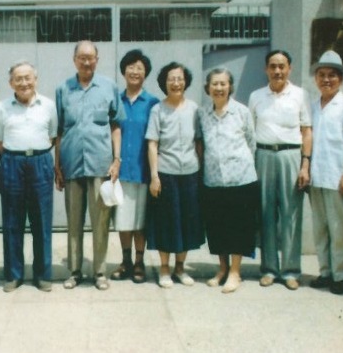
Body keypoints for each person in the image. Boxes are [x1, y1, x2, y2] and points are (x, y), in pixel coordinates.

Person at [55, 40, 126, 291]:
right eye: (82, 57)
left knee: (100, 222)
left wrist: (117, 160)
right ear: (74, 59)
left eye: (90, 57)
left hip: (100, 164)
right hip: (72, 164)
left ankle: (99, 272)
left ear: (97, 59)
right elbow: (59, 131)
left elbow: (116, 125)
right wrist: (57, 165)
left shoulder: (108, 87)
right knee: (73, 222)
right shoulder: (63, 89)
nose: (86, 62)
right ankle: (74, 271)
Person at [248, 49, 312, 290]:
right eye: (273, 66)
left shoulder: (300, 95)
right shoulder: (256, 96)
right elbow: (250, 131)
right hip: (263, 155)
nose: (277, 71)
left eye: (282, 66)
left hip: (291, 155)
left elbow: (306, 131)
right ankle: (269, 269)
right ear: (266, 69)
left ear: (289, 69)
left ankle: (290, 270)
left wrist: (305, 164)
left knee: (290, 214)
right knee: (265, 213)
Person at [0, 61, 58, 292]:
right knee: (13, 221)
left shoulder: (48, 105)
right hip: (12, 162)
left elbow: (53, 137)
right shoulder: (2, 108)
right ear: (11, 83)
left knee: (42, 221)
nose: (24, 83)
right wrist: (18, 156)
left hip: (41, 162)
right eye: (18, 79)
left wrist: (35, 155)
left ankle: (43, 274)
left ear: (35, 80)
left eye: (27, 78)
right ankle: (13, 275)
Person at [198, 68, 259, 293]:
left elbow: (251, 142)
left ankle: (235, 272)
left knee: (238, 227)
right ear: (208, 88)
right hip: (213, 179)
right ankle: (222, 268)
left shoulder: (241, 112)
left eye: (223, 84)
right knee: (217, 227)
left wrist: (240, 164)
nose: (219, 88)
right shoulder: (202, 114)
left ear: (230, 87)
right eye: (214, 84)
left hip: (240, 178)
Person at [307, 51, 343, 295]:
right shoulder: (312, 106)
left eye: (331, 75)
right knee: (320, 229)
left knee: (339, 230)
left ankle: (340, 276)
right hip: (316, 177)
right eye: (322, 75)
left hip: (338, 177)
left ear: (340, 78)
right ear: (316, 78)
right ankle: (325, 272)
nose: (326, 79)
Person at [146, 62, 204, 288]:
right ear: (165, 83)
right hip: (166, 173)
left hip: (190, 173)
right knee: (166, 223)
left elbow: (198, 142)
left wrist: (201, 170)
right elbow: (152, 144)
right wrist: (154, 176)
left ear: (185, 82)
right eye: (171, 79)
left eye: (180, 79)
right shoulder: (157, 110)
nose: (176, 83)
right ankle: (164, 268)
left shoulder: (194, 109)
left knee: (187, 221)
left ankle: (180, 268)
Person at [110, 49, 159, 284]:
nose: (135, 71)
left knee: (140, 220)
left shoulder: (153, 103)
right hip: (120, 171)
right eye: (131, 67)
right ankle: (125, 260)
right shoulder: (115, 101)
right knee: (123, 219)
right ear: (124, 71)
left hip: (143, 171)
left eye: (140, 68)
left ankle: (140, 262)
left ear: (145, 73)